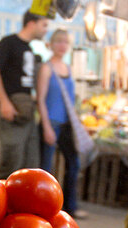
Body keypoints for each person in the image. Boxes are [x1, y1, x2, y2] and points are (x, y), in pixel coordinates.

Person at [0, 10, 49, 179]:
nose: (46, 30)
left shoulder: (29, 48)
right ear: (31, 23)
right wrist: (3, 102)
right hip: (11, 112)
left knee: (29, 165)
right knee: (9, 163)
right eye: (44, 25)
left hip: (27, 113)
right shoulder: (8, 43)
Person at [37, 29, 82, 217]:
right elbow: (40, 99)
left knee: (74, 163)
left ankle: (70, 207)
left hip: (66, 124)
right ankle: (45, 210)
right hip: (51, 122)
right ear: (51, 44)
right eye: (58, 42)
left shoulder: (68, 68)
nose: (62, 46)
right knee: (46, 170)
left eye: (65, 42)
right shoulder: (46, 68)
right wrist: (46, 126)